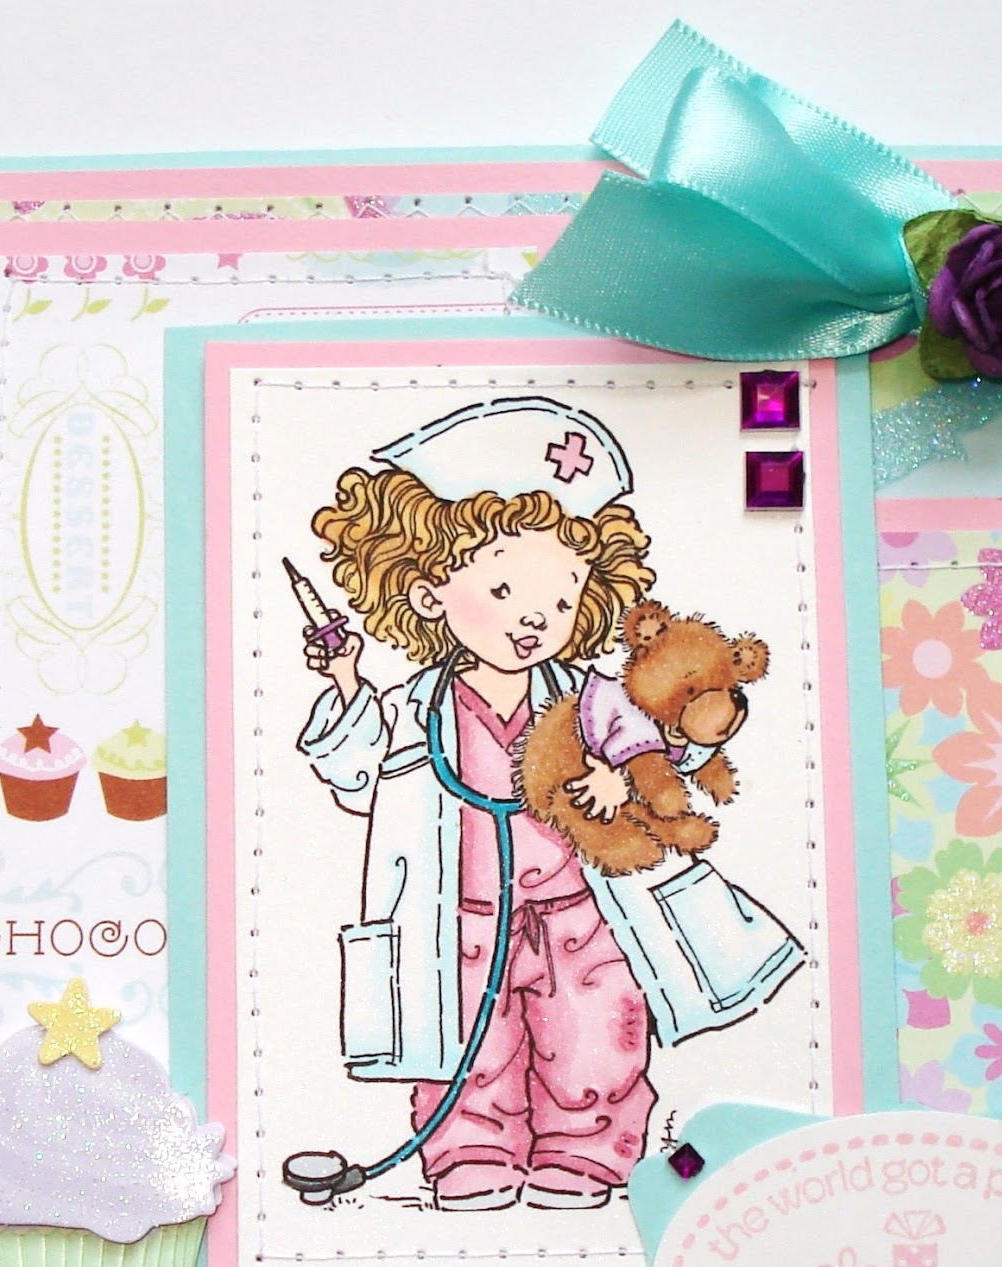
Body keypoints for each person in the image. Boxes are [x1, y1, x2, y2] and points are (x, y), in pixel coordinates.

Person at [297, 396, 801, 1211]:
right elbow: (355, 779)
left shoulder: (593, 699)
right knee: (469, 1044)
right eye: (503, 589)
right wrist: (349, 682)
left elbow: (663, 748)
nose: (536, 619)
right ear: (426, 594)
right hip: (460, 924)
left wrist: (625, 779)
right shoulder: (412, 709)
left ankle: (587, 1151)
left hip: (580, 916)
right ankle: (471, 1152)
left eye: (561, 599)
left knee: (597, 1036)